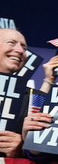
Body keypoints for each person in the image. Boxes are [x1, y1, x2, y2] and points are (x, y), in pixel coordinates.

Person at [0, 28, 28, 156]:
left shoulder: (33, 99)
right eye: (11, 43)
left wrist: (22, 148)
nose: (20, 51)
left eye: (24, 48)